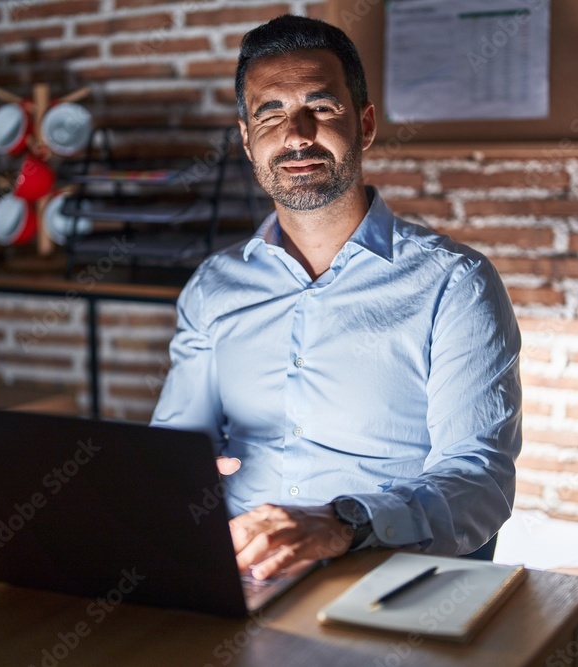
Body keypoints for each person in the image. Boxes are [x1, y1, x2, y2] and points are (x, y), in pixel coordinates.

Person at [151, 14, 521, 580]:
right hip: (234, 572)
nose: (296, 134)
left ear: (365, 123)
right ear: (248, 139)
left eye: (320, 108)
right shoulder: (213, 287)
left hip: (377, 575)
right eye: (270, 112)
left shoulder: (456, 284)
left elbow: (478, 482)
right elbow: (175, 455)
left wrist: (342, 525)